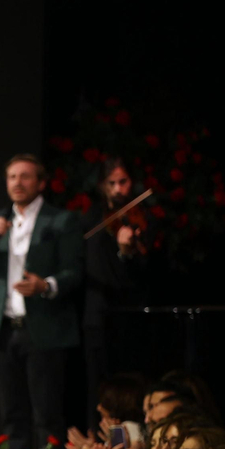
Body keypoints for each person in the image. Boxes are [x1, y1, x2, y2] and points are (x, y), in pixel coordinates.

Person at [0, 153, 84, 449]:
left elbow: (74, 273)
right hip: (5, 329)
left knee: (47, 414)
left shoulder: (61, 220)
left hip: (43, 329)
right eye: (12, 177)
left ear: (41, 183)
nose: (17, 183)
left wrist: (44, 285)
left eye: (25, 176)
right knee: (12, 413)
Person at [81, 158, 149, 428]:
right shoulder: (91, 219)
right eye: (111, 183)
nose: (118, 189)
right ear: (102, 185)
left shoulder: (139, 219)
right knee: (97, 387)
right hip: (97, 315)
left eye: (123, 182)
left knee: (127, 390)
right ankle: (99, 445)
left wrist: (126, 252)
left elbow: (143, 271)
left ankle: (127, 446)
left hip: (129, 315)